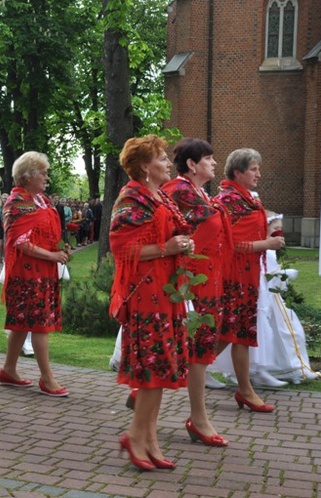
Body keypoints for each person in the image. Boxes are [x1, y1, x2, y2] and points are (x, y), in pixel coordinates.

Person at [109, 134, 193, 471]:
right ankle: (134, 436)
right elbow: (122, 250)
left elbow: (170, 236)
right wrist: (168, 248)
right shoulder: (130, 199)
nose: (169, 163)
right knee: (150, 372)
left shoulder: (159, 198)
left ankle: (149, 439)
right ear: (145, 166)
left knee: (158, 370)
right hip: (146, 295)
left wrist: (181, 244)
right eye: (162, 158)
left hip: (166, 292)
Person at [161, 138, 231, 447]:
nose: (215, 163)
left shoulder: (199, 193)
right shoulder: (180, 191)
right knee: (197, 344)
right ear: (192, 164)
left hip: (206, 276)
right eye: (208, 159)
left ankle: (147, 391)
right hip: (190, 281)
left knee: (197, 344)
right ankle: (198, 418)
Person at [213, 148, 285, 412]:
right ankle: (165, 379)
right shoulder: (229, 201)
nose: (259, 174)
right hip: (234, 278)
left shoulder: (246, 199)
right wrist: (267, 242)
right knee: (226, 333)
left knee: (240, 334)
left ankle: (245, 390)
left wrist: (268, 232)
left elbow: (246, 237)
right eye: (254, 169)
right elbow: (232, 245)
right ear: (238, 172)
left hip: (247, 276)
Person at [212, 212, 321, 386]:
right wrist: (279, 276)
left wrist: (281, 276)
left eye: (280, 229)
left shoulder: (268, 250)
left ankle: (290, 369)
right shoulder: (260, 248)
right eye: (275, 228)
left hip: (271, 300)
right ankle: (249, 372)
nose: (279, 232)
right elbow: (263, 275)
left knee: (286, 333)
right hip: (261, 298)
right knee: (263, 335)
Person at [0, 151, 70, 396]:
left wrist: (59, 249)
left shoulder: (42, 200)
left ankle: (8, 369)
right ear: (27, 176)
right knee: (39, 324)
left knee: (21, 323)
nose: (46, 177)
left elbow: (47, 232)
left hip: (43, 271)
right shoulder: (16, 202)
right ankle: (47, 378)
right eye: (43, 172)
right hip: (27, 274)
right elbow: (19, 242)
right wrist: (52, 256)